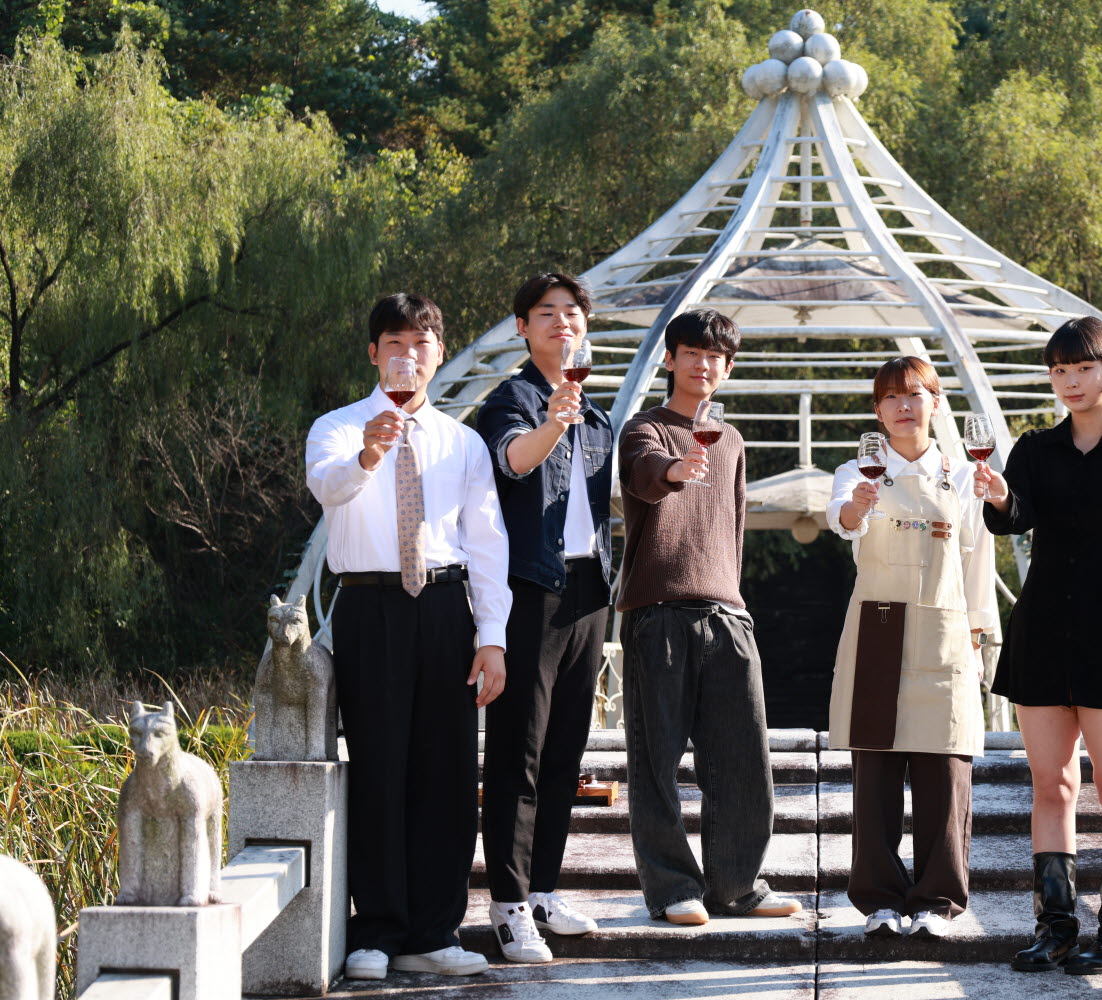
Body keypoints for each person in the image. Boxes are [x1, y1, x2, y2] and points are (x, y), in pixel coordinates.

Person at [306, 293, 509, 981]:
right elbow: (327, 489)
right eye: (394, 343)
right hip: (370, 608)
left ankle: (434, 929)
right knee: (377, 767)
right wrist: (368, 454)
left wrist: (491, 636)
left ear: (439, 353)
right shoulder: (338, 427)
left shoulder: (463, 442)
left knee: (446, 774)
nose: (408, 357)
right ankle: (376, 929)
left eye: (421, 344)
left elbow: (487, 542)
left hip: (446, 608)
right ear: (373, 353)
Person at [976, 316, 1102, 975]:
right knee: (1051, 783)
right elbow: (1013, 517)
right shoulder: (1035, 449)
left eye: (1083, 368)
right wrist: (1001, 497)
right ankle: (1056, 929)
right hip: (1041, 633)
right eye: (1059, 370)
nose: (1070, 381)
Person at [615, 308, 802, 926]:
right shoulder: (644, 428)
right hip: (657, 614)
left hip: (727, 613)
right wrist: (676, 469)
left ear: (728, 368)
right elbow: (644, 476)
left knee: (744, 759)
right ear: (670, 359)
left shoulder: (733, 441)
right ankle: (673, 889)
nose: (703, 364)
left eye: (715, 356)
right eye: (691, 352)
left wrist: (734, 598)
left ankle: (737, 886)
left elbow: (734, 528)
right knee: (656, 763)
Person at [824, 356, 998, 940]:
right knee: (874, 775)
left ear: (935, 403)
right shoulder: (857, 471)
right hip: (878, 630)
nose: (904, 406)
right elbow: (843, 518)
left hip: (945, 632)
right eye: (892, 397)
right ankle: (878, 900)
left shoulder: (963, 475)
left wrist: (979, 635)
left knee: (944, 773)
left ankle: (938, 901)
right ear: (878, 410)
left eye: (915, 394)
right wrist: (858, 505)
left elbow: (978, 560)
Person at [474, 273, 612, 963]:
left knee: (565, 755)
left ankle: (545, 891)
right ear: (522, 328)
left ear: (586, 327)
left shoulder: (599, 416)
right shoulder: (512, 400)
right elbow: (513, 462)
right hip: (532, 589)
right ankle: (507, 904)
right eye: (546, 312)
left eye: (572, 313)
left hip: (589, 592)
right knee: (518, 754)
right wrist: (553, 422)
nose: (562, 322)